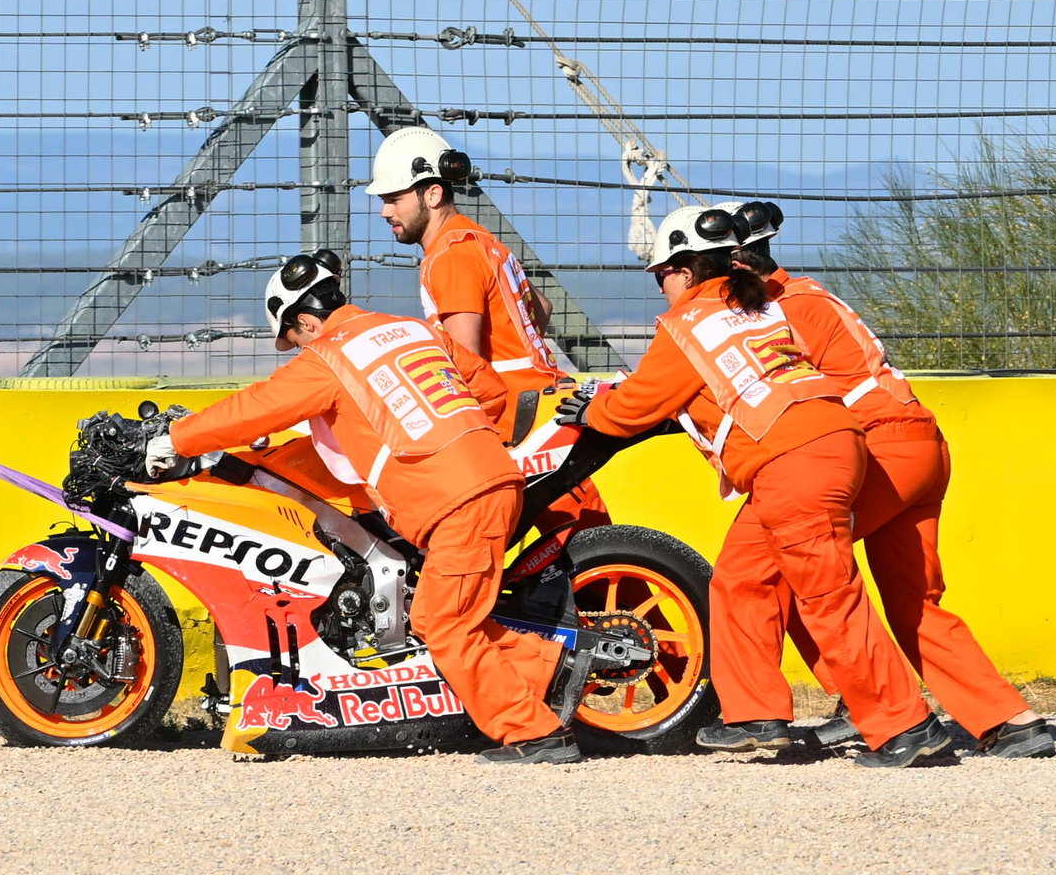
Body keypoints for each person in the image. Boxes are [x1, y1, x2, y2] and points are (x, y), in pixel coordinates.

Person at [145, 253, 598, 764]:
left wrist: (177, 439)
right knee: (444, 615)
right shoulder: (411, 329)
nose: (296, 351)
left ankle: (536, 734)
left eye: (293, 341)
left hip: (454, 499)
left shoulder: (327, 356)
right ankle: (553, 663)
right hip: (489, 480)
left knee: (444, 623)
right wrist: (458, 443)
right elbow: (489, 391)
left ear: (306, 322)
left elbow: (254, 408)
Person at [554, 205, 949, 768]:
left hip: (794, 463)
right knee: (740, 577)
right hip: (833, 442)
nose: (660, 286)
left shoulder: (689, 324)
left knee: (829, 595)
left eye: (662, 274)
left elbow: (636, 406)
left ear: (685, 271)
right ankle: (755, 716)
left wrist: (594, 409)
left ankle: (905, 726)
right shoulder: (757, 305)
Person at [715, 199, 1052, 759]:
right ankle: (1010, 719)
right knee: (914, 602)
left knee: (763, 564)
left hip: (876, 446)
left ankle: (787, 711)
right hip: (921, 441)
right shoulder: (807, 294)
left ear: (736, 266)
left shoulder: (771, 312)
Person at [364, 127, 611, 531]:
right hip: (545, 406)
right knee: (584, 539)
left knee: (574, 545)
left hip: (514, 419)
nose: (385, 212)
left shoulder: (450, 256)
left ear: (432, 194)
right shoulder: (481, 241)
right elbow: (542, 309)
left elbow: (464, 358)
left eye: (394, 198)